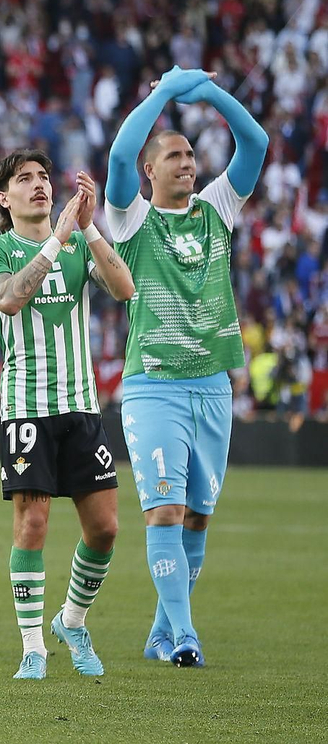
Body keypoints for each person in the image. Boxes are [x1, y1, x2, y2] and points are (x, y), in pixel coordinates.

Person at [104, 67, 268, 668]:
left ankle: (160, 632)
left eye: (192, 154)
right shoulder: (130, 219)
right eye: (174, 155)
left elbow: (257, 144)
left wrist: (211, 95)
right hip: (153, 387)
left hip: (213, 385)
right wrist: (164, 93)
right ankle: (187, 635)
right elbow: (122, 152)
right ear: (151, 171)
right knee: (165, 509)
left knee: (197, 515)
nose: (188, 163)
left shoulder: (218, 208)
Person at [0, 153, 135, 679]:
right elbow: (9, 300)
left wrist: (87, 230)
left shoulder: (75, 244)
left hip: (82, 406)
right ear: (5, 198)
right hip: (27, 408)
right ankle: (33, 648)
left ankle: (71, 620)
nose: (39, 185)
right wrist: (55, 241)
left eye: (44, 177)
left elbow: (123, 288)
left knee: (106, 529)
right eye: (25, 180)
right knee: (34, 523)